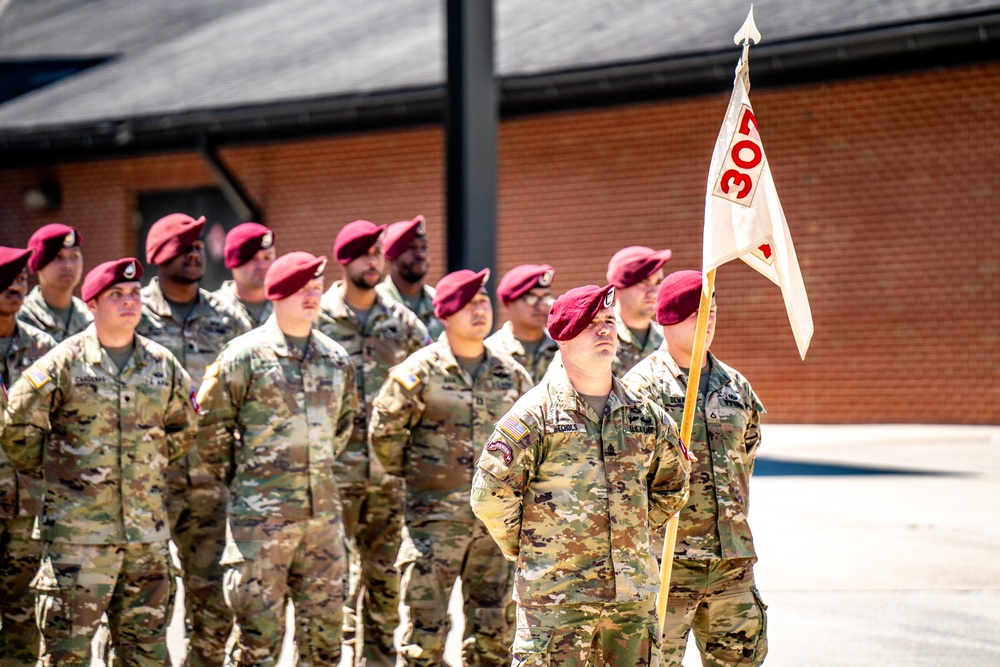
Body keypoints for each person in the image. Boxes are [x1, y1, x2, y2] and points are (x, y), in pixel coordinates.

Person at [471, 284, 692, 667]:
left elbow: (673, 484)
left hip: (631, 601)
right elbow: (489, 496)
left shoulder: (645, 415)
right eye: (591, 324)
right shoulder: (534, 416)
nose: (605, 330)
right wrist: (530, 545)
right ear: (563, 337)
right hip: (556, 601)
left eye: (609, 321)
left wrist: (632, 531)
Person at [1, 257, 197, 667]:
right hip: (78, 543)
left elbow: (184, 431)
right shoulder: (61, 363)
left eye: (134, 295)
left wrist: (144, 474)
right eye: (116, 295)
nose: (129, 302)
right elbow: (17, 429)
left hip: (146, 541)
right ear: (92, 304)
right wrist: (62, 479)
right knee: (65, 657)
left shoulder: (163, 365)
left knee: (146, 656)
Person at [196, 251, 358, 666]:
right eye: (301, 287)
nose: (312, 295)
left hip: (322, 522)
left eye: (317, 287)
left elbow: (342, 427)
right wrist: (250, 478)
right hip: (260, 523)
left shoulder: (336, 359)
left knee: (323, 646)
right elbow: (210, 430)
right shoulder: (242, 356)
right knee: (257, 645)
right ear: (277, 293)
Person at [370, 269, 532, 666]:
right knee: (423, 640)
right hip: (433, 526)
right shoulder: (417, 372)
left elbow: (531, 441)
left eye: (483, 301)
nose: (480, 310)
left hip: (494, 531)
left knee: (493, 640)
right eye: (468, 303)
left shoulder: (511, 373)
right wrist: (425, 479)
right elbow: (384, 436)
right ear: (444, 312)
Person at [622, 270, 768, 667]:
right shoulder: (639, 390)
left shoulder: (735, 385)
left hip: (731, 565)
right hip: (666, 564)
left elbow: (747, 453)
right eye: (698, 314)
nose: (710, 321)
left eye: (714, 311)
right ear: (668, 320)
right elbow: (625, 478)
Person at [137, 212, 250, 667]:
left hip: (209, 481)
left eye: (199, 245)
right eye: (184, 246)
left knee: (213, 604)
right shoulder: (132, 311)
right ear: (160, 256)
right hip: (146, 481)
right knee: (144, 604)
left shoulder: (227, 316)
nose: (196, 253)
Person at [315, 220, 430, 666]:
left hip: (387, 478)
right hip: (333, 475)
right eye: (364, 254)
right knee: (328, 585)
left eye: (377, 252)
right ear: (345, 260)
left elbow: (430, 378)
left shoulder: (402, 323)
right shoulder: (319, 317)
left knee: (383, 587)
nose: (373, 261)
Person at [0, 246, 57, 667]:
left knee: (22, 620)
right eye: (6, 275)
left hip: (27, 509)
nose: (17, 283)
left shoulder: (45, 349)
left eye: (21, 275)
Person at [485, 264, 558, 383]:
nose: (541, 306)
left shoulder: (563, 350)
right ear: (508, 303)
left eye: (546, 297)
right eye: (531, 298)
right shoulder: (489, 353)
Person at [18, 224, 92, 341]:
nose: (68, 265)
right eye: (58, 257)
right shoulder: (19, 317)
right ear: (38, 264)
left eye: (74, 256)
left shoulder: (91, 317)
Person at [606, 245, 672, 376]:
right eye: (643, 282)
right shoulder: (599, 338)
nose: (653, 292)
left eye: (658, 282)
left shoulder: (669, 340)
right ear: (618, 289)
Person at [375, 215, 443, 340]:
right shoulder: (375, 302)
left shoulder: (440, 303)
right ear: (392, 255)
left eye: (424, 247)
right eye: (411, 248)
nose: (421, 254)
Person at [213, 222, 277, 327]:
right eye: (252, 258)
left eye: (267, 258)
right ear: (233, 262)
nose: (261, 265)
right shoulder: (210, 308)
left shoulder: (288, 307)